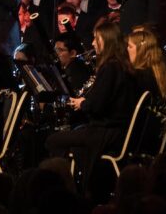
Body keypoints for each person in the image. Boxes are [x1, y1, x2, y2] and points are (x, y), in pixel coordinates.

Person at [45, 18, 140, 186]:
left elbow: (96, 106)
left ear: (107, 41)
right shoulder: (122, 65)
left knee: (53, 140)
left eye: (97, 39)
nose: (93, 43)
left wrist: (81, 103)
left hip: (106, 132)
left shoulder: (110, 67)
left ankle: (61, 187)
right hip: (117, 131)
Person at [127, 26, 166, 100]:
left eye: (130, 46)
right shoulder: (160, 71)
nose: (127, 49)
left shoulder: (136, 77)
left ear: (140, 50)